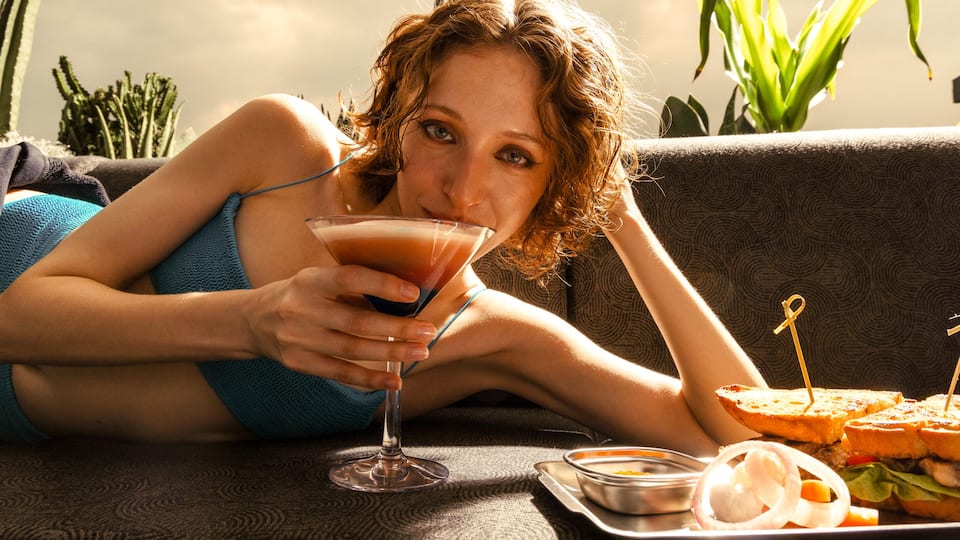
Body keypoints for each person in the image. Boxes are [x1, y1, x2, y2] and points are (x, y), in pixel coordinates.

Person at [0, 0, 765, 454]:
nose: (462, 189)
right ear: (399, 121)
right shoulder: (284, 147)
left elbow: (747, 440)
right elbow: (19, 316)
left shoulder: (495, 337)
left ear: (554, 181)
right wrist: (251, 321)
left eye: (515, 155)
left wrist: (620, 216)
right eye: (439, 131)